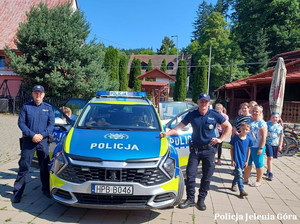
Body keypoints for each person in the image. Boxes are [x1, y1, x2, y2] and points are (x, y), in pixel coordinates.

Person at [160, 93, 232, 211]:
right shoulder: (192, 115)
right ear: (198, 102)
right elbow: (177, 128)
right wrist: (166, 134)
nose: (203, 104)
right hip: (195, 150)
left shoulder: (214, 115)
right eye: (201, 101)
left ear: (209, 103)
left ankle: (201, 200)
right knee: (191, 175)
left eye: (205, 102)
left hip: (209, 150)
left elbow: (228, 126)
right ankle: (190, 199)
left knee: (207, 177)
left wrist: (220, 139)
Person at [12, 85, 55, 203]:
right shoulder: (26, 107)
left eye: (40, 93)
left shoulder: (48, 108)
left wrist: (42, 135)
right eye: (36, 93)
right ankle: (17, 192)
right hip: (28, 141)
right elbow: (21, 123)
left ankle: (46, 189)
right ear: (32, 94)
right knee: (24, 166)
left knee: (44, 167)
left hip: (43, 141)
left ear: (43, 95)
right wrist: (33, 135)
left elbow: (51, 125)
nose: (38, 95)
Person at [243, 105, 267, 187]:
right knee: (247, 163)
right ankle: (245, 179)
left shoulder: (262, 123)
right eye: (253, 111)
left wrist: (260, 148)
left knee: (258, 164)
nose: (255, 112)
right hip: (248, 146)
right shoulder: (248, 120)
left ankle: (258, 181)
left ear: (260, 112)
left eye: (257, 111)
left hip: (257, 147)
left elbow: (264, 137)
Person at [230, 122, 253, 197]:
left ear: (248, 130)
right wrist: (232, 160)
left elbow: (249, 150)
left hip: (243, 159)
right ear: (240, 129)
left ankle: (234, 184)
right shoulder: (235, 138)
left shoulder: (249, 139)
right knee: (240, 174)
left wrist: (247, 161)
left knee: (238, 173)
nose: (244, 131)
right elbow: (231, 149)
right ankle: (241, 190)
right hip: (237, 159)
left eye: (246, 129)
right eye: (243, 129)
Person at [265, 112, 284, 181]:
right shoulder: (267, 124)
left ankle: (268, 169)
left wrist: (280, 145)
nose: (274, 119)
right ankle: (270, 173)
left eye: (276, 117)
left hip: (275, 144)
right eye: (273, 117)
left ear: (279, 118)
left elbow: (281, 136)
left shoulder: (280, 127)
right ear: (271, 118)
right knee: (270, 157)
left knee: (271, 158)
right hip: (268, 143)